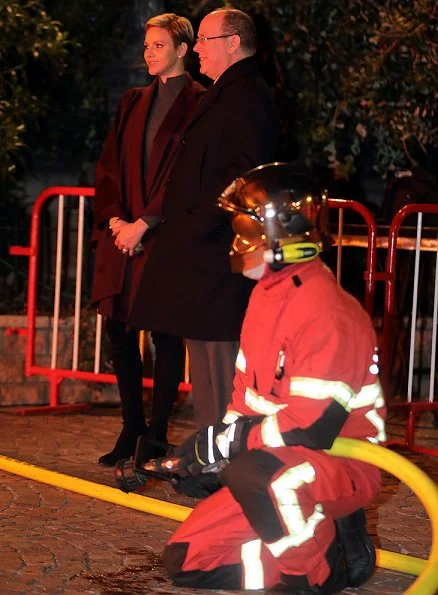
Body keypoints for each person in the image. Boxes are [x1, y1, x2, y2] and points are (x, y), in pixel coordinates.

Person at [162, 163, 387, 593]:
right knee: (186, 561)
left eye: (245, 227)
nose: (236, 240)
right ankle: (326, 541)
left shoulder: (326, 311)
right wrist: (211, 454)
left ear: (282, 232)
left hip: (341, 462)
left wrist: (236, 442)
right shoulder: (265, 298)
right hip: (275, 459)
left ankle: (315, 574)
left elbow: (313, 426)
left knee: (261, 478)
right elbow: (245, 400)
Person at [129, 8, 279, 429]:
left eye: (204, 41)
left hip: (218, 256)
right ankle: (211, 455)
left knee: (222, 365)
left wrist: (197, 225)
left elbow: (245, 178)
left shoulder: (247, 95)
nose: (196, 49)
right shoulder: (227, 92)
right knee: (207, 362)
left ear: (233, 42)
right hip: (204, 254)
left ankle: (225, 462)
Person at [90, 13, 205, 466]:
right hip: (125, 236)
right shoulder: (133, 100)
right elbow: (110, 164)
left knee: (165, 334)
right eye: (146, 45)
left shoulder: (200, 102)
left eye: (158, 46)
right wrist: (117, 219)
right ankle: (131, 428)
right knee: (118, 329)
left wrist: (148, 221)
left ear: (182, 49)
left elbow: (186, 174)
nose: (149, 53)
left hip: (164, 235)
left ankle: (156, 435)